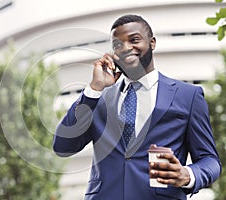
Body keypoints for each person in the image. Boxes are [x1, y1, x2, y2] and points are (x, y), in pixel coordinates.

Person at [53, 14, 221, 200]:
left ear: (152, 43)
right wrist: (94, 89)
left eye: (134, 40)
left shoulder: (188, 96)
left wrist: (187, 174)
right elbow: (63, 146)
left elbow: (210, 160)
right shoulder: (98, 98)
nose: (125, 48)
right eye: (117, 45)